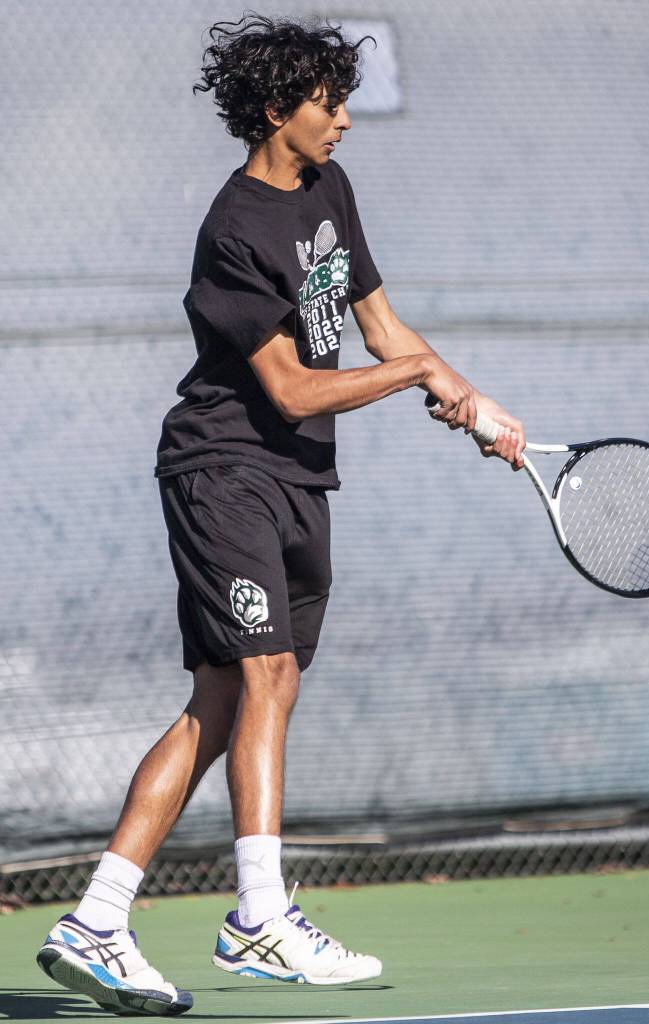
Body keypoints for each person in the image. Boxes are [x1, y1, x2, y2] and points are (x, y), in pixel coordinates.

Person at [36, 13, 525, 1016]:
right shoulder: (232, 233)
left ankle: (96, 919)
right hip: (225, 471)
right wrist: (413, 376)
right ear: (275, 111)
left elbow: (379, 323)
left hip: (299, 483)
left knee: (234, 698)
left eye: (343, 100)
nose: (343, 120)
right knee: (262, 672)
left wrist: (472, 400)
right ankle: (260, 912)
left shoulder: (328, 188)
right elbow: (295, 389)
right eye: (326, 104)